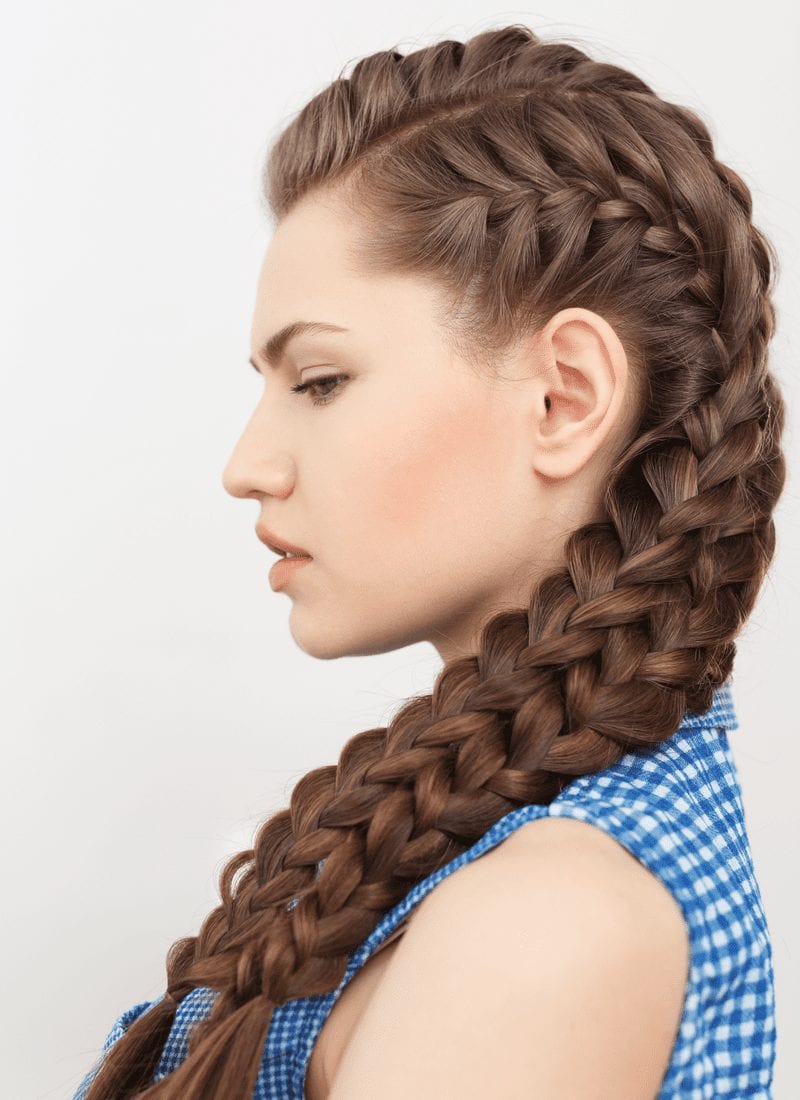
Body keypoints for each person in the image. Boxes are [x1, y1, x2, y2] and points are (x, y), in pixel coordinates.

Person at [73, 23, 784, 1099]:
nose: (246, 465)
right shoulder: (516, 826)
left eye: (318, 380)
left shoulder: (544, 929)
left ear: (565, 397)